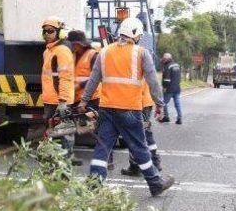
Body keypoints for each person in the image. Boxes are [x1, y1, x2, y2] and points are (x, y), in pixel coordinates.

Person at [77, 17, 174, 196]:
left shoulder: (104, 52)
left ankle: (94, 185)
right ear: (136, 35)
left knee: (103, 147)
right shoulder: (141, 53)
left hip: (106, 109)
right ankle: (155, 183)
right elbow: (153, 81)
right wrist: (160, 104)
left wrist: (84, 101)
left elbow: (93, 79)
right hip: (130, 109)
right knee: (139, 147)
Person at [40, 16, 76, 162]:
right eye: (45, 31)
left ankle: (64, 168)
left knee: (64, 136)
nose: (47, 34)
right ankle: (55, 166)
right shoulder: (48, 51)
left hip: (60, 101)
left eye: (50, 31)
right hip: (50, 101)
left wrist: (63, 101)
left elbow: (65, 77)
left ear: (60, 33)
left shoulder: (62, 51)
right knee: (52, 135)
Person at [121, 81, 162, 175]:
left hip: (137, 102)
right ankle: (155, 161)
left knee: (133, 135)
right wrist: (159, 103)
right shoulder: (145, 65)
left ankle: (135, 166)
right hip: (147, 101)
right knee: (146, 132)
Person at [160, 52, 183, 124]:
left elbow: (167, 79)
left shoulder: (167, 66)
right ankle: (179, 118)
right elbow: (179, 77)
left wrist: (164, 87)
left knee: (163, 103)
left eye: (163, 59)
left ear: (167, 59)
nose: (163, 60)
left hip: (169, 89)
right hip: (177, 88)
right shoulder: (177, 65)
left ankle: (166, 117)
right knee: (177, 103)